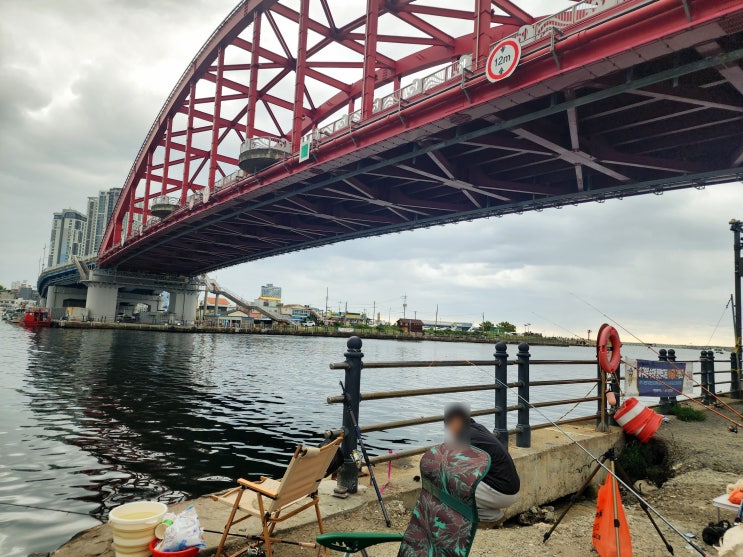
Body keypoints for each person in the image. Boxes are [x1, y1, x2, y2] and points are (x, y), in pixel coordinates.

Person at [444, 402, 520, 526]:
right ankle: (489, 513)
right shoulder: (477, 429)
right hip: (509, 488)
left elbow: (450, 463)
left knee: (450, 482)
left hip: (501, 492)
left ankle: (491, 517)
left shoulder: (466, 437)